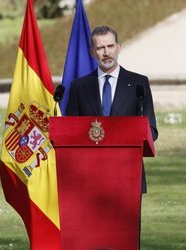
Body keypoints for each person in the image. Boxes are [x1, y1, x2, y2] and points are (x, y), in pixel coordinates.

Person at [66, 25, 158, 249]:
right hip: (88, 178)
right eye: (100, 48)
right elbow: (69, 132)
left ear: (119, 47)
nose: (106, 52)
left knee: (124, 240)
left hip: (127, 175)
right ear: (92, 52)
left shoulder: (138, 84)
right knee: (92, 239)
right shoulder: (80, 87)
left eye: (110, 46)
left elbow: (151, 130)